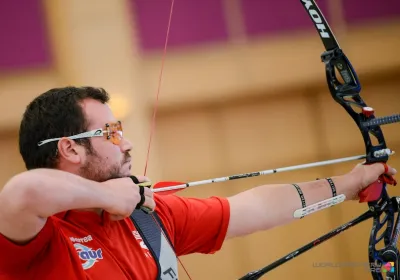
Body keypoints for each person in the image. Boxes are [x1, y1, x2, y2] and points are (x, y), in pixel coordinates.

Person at [0, 86, 396, 280]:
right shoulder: (39, 238)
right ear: (69, 149)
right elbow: (23, 192)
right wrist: (108, 195)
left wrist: (349, 181)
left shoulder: (146, 218)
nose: (129, 142)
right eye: (112, 132)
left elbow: (252, 208)